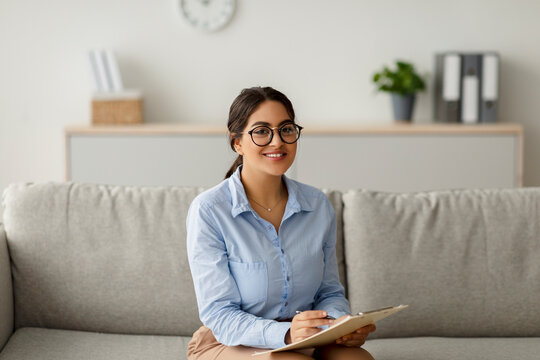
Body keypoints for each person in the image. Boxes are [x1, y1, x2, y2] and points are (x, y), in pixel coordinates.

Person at [186, 87, 376, 360]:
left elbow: (329, 291)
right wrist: (286, 334)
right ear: (237, 142)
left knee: (358, 358)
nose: (277, 141)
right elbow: (220, 314)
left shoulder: (317, 205)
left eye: (286, 129)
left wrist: (340, 325)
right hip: (231, 341)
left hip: (306, 337)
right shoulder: (209, 210)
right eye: (262, 131)